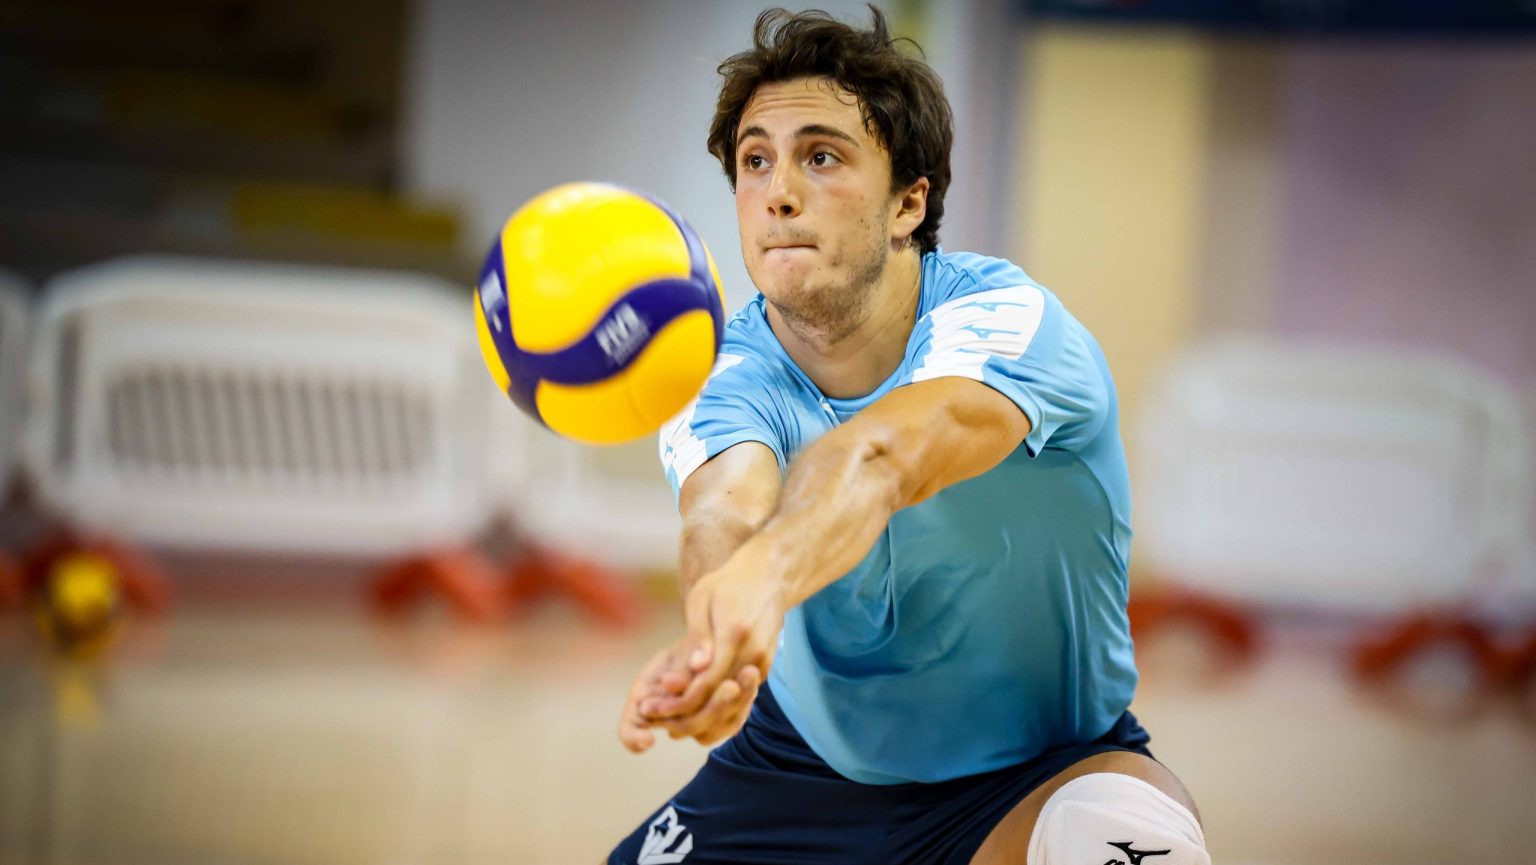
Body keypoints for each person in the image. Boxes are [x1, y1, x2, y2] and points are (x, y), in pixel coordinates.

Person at [610, 7, 1208, 864]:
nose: (778, 192)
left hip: (1035, 772)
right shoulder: (719, 366)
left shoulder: (1007, 320)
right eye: (755, 160)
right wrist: (716, 643)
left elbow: (884, 456)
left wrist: (764, 581)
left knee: (1122, 837)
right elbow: (722, 507)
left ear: (908, 202)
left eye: (821, 156)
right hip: (794, 769)